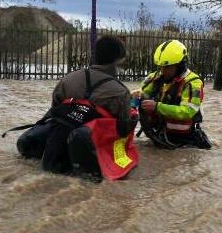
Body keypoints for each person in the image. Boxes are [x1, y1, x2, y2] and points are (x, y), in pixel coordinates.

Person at [12, 36, 138, 181]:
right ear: (117, 61)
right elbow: (122, 129)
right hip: (86, 157)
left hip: (54, 150)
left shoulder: (68, 79)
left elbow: (54, 110)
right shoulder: (120, 92)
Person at [133, 39, 211, 149]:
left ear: (180, 65)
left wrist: (157, 107)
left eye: (168, 67)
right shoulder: (156, 77)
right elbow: (142, 94)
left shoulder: (193, 83)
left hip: (184, 141)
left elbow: (188, 112)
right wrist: (134, 98)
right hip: (159, 135)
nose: (163, 71)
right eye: (161, 67)